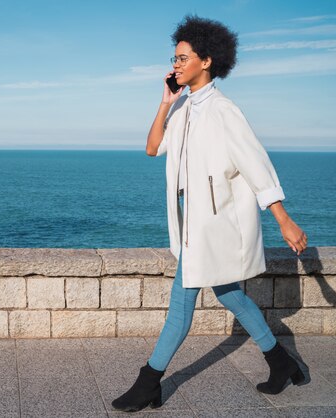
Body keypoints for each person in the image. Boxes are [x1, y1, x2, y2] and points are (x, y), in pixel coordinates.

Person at [112, 15, 308, 413]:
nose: (175, 64)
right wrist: (165, 102)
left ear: (207, 60)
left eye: (183, 57)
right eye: (174, 57)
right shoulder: (183, 106)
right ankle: (281, 362)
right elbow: (153, 148)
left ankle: (149, 381)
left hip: (213, 225)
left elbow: (256, 164)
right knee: (231, 295)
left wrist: (283, 218)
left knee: (180, 306)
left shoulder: (223, 110)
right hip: (191, 223)